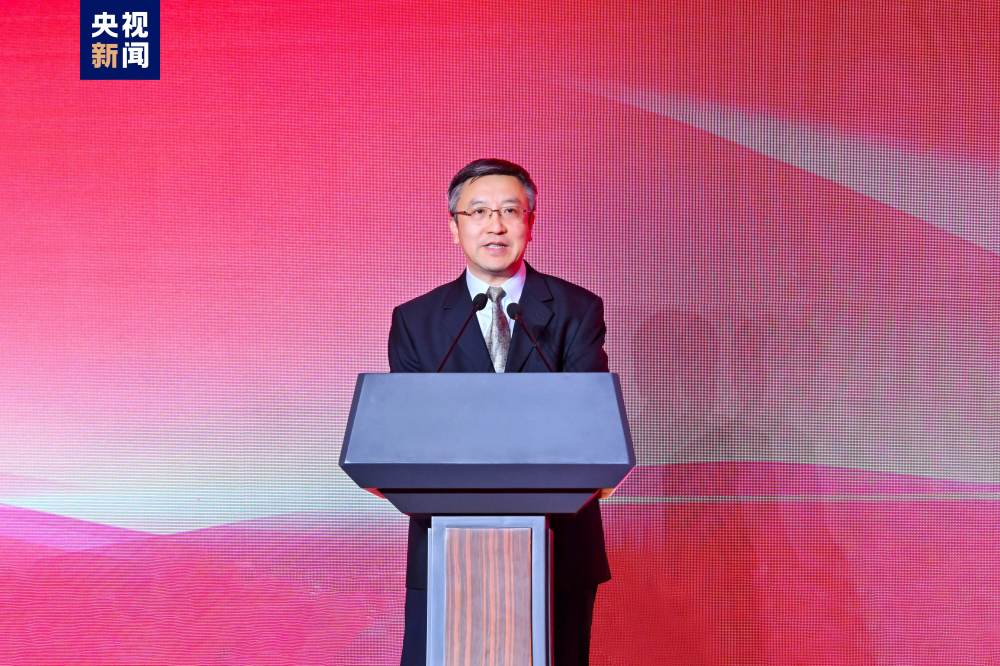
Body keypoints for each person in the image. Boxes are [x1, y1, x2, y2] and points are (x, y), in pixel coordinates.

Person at [388, 158, 611, 666]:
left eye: (510, 211)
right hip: (446, 548)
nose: (495, 225)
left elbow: (586, 421)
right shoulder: (416, 321)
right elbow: (410, 434)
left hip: (558, 545)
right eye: (479, 211)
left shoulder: (577, 310)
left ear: (530, 222)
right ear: (455, 227)